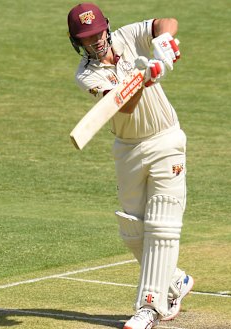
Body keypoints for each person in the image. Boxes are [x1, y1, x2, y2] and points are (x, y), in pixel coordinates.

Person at [67, 3, 194, 329]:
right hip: (128, 149)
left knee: (162, 224)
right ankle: (176, 281)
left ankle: (149, 309)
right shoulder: (87, 75)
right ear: (77, 42)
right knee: (132, 229)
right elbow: (124, 106)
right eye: (86, 38)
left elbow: (167, 21)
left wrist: (163, 42)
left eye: (97, 33)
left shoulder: (127, 35)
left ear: (106, 28)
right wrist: (146, 76)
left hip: (166, 139)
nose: (95, 41)